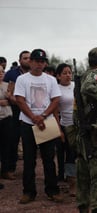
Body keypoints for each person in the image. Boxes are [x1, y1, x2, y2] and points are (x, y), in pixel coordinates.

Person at [14, 48, 63, 204]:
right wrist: (33, 117)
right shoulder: (23, 79)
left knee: (49, 158)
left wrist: (42, 116)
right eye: (36, 61)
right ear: (31, 62)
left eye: (42, 62)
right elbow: (19, 100)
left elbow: (55, 100)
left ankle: (52, 190)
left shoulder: (51, 80)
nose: (39, 64)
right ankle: (28, 191)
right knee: (29, 160)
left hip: (46, 123)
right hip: (28, 124)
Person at [73, 47, 97, 213]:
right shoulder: (94, 74)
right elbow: (87, 88)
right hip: (94, 132)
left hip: (83, 131)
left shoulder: (83, 75)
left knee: (83, 174)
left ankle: (83, 206)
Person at [3, 50, 30, 180]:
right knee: (13, 140)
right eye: (25, 58)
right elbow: (8, 94)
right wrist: (18, 102)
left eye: (29, 58)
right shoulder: (11, 74)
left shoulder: (34, 74)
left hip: (31, 112)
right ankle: (10, 168)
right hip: (15, 111)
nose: (27, 60)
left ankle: (29, 169)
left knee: (30, 141)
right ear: (20, 60)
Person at [54, 63, 77, 196]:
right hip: (65, 124)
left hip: (78, 125)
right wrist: (59, 130)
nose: (68, 75)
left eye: (69, 72)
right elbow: (55, 112)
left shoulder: (76, 86)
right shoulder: (56, 89)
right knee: (69, 154)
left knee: (78, 154)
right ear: (58, 76)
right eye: (64, 73)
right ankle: (71, 182)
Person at [0, 65, 13, 190]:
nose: (1, 73)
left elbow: (15, 100)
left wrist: (9, 98)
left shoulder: (8, 85)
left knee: (6, 146)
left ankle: (5, 170)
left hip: (7, 118)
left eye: (2, 71)